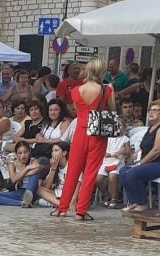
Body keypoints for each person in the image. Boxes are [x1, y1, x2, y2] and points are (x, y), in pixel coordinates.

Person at [53, 58, 114, 221]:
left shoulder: (75, 90)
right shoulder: (106, 90)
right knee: (90, 173)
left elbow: (76, 109)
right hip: (97, 134)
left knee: (73, 170)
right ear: (101, 71)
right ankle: (81, 211)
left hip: (80, 132)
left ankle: (62, 208)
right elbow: (112, 110)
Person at [120, 100, 160, 213]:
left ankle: (142, 203)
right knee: (123, 170)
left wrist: (140, 163)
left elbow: (157, 150)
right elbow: (143, 147)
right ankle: (134, 201)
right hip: (148, 162)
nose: (151, 112)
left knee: (133, 172)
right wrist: (133, 158)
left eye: (155, 110)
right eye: (150, 110)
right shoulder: (151, 127)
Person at [0, 141, 44, 206]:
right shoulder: (12, 164)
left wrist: (21, 175)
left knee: (35, 175)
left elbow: (38, 169)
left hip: (31, 191)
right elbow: (13, 179)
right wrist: (27, 168)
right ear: (16, 154)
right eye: (20, 153)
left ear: (29, 151)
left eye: (25, 152)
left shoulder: (33, 161)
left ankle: (28, 198)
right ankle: (22, 203)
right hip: (18, 192)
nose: (23, 155)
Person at [37, 141, 72, 208]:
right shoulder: (54, 165)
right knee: (40, 190)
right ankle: (61, 205)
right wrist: (53, 168)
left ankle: (61, 205)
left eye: (56, 151)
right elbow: (46, 186)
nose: (53, 153)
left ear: (64, 153)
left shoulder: (70, 165)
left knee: (42, 201)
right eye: (52, 151)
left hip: (69, 194)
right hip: (58, 194)